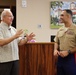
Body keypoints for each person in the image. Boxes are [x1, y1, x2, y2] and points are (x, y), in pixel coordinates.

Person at [0, 10, 35, 75]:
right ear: (3, 18)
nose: (12, 18)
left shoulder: (13, 29)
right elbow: (1, 42)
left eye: (12, 16)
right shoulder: (0, 28)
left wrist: (27, 39)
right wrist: (14, 36)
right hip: (4, 61)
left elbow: (19, 42)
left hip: (15, 59)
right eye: (10, 16)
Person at [54, 9, 76, 75]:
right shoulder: (60, 29)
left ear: (68, 16)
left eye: (62, 15)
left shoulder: (75, 29)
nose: (60, 17)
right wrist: (55, 49)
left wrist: (68, 52)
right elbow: (56, 41)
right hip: (60, 57)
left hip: (71, 57)